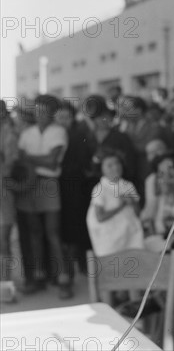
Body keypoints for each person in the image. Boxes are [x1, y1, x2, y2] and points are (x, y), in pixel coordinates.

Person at [15, 95, 72, 299]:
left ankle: (64, 280)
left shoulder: (59, 131)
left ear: (52, 112)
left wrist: (30, 158)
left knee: (53, 233)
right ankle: (38, 278)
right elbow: (23, 160)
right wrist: (40, 160)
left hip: (49, 184)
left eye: (43, 110)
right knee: (34, 234)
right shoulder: (27, 132)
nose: (38, 113)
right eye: (36, 110)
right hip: (28, 185)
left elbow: (52, 162)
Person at [55, 101, 94, 279]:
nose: (63, 121)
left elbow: (84, 162)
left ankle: (82, 264)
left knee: (76, 226)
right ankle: (65, 268)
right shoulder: (54, 135)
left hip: (76, 188)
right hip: (57, 188)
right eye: (60, 117)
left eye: (66, 117)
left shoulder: (78, 135)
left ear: (72, 118)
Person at [86, 149, 144, 256]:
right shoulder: (99, 189)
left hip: (129, 236)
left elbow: (138, 212)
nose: (115, 167)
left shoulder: (128, 185)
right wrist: (121, 205)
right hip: (110, 240)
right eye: (110, 165)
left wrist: (132, 202)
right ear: (102, 169)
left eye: (117, 163)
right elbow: (100, 216)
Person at [0, 100, 19, 302]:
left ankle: (5, 290)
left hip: (3, 193)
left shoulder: (8, 134)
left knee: (3, 243)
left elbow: (9, 166)